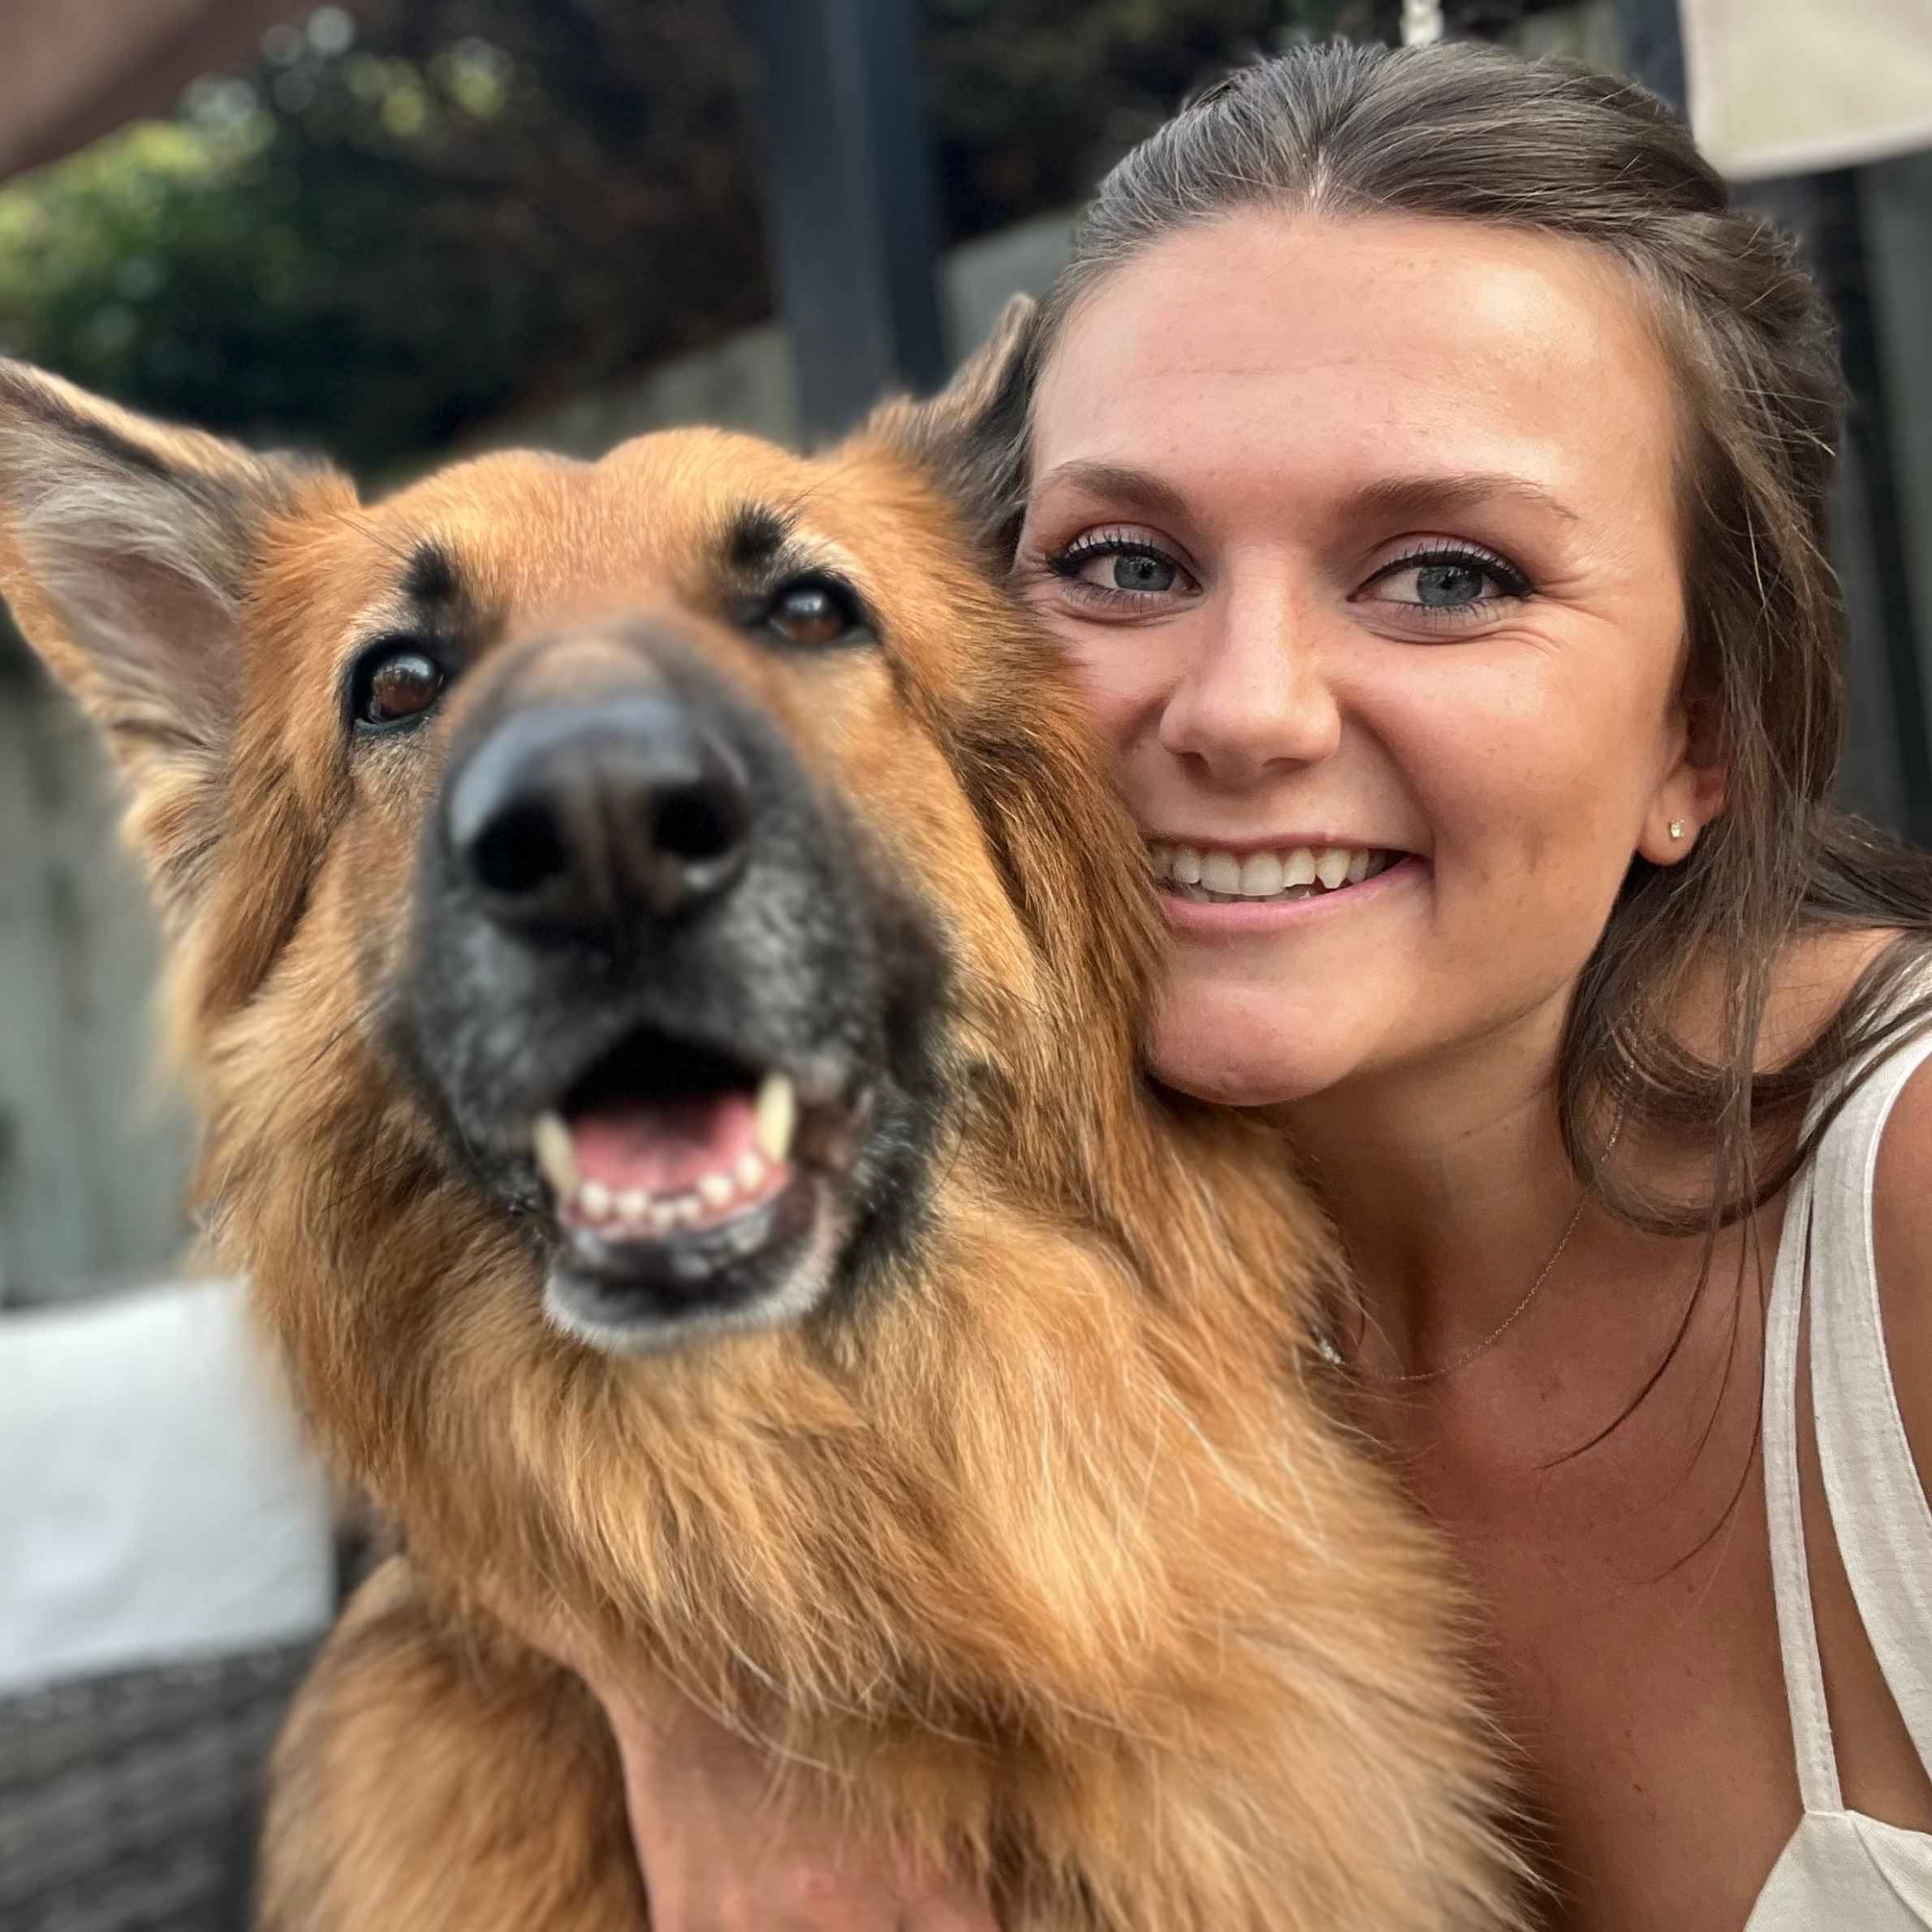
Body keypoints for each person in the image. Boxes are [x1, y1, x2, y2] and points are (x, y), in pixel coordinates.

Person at [569, 41, 1932, 1931]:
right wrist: (694, 1703)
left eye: (1444, 575)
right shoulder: (975, 1231)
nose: (1238, 710)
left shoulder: (1902, 1217)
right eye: (1121, 560)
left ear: (1697, 736)